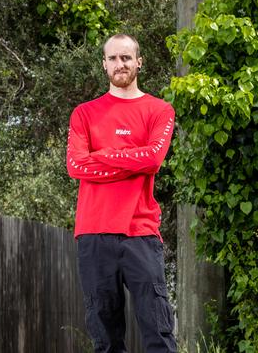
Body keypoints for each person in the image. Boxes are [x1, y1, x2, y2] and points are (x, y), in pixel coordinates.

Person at [66, 33, 177, 353]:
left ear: (139, 62)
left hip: (140, 233)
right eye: (113, 58)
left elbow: (153, 159)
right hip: (93, 234)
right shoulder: (84, 114)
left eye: (126, 57)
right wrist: (132, 158)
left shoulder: (159, 110)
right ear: (104, 64)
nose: (120, 64)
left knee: (158, 331)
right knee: (105, 338)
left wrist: (100, 157)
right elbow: (76, 166)